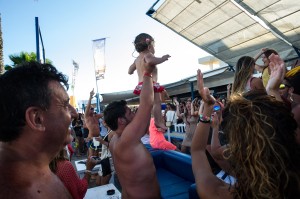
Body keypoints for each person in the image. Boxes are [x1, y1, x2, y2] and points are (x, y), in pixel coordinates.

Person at [191, 65, 300, 198]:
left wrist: (207, 107)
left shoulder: (219, 193)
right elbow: (283, 128)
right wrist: (273, 90)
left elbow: (197, 151)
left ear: (236, 149)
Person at [0, 61, 77, 198]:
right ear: (37, 119)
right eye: (65, 105)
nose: (74, 113)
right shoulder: (19, 191)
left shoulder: (36, 169)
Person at [93, 63, 160, 198]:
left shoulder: (114, 140)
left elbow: (145, 123)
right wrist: (147, 73)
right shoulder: (127, 139)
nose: (134, 115)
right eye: (130, 113)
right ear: (121, 121)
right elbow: (147, 103)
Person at [128, 33, 171, 131]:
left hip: (141, 84)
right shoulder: (148, 54)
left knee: (145, 105)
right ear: (149, 45)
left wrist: (133, 70)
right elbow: (151, 61)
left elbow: (129, 70)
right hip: (149, 83)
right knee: (156, 103)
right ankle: (158, 121)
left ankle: (145, 124)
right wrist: (162, 58)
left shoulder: (137, 59)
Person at [49, 128, 97, 199]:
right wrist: (88, 170)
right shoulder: (64, 166)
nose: (69, 129)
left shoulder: (45, 163)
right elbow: (79, 192)